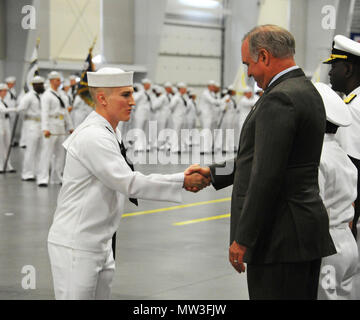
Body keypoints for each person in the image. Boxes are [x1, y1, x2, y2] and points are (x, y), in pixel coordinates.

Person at [185, 25, 336, 300]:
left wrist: (243, 238)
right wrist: (215, 172)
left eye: (249, 64)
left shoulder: (280, 97)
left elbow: (266, 174)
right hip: (300, 235)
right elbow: (262, 157)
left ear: (264, 56)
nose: (249, 73)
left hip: (280, 238)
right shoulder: (304, 89)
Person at [47, 67, 210, 300]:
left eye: (132, 94)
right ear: (102, 98)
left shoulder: (111, 132)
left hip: (100, 240)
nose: (132, 101)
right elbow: (129, 182)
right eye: (125, 95)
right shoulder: (93, 136)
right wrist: (182, 180)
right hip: (77, 243)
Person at [323, 34, 360, 299]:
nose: (330, 72)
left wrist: (350, 218)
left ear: (347, 68)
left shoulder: (353, 108)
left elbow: (353, 164)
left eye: (334, 66)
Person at [313, 82, 358, 300]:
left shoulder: (316, 157)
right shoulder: (340, 153)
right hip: (348, 242)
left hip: (326, 245)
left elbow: (314, 208)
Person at [37, 71, 74, 187]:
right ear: (52, 81)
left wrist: (70, 126)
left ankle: (56, 177)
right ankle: (42, 178)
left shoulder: (62, 94)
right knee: (46, 152)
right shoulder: (47, 95)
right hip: (51, 125)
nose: (60, 82)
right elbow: (44, 113)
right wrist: (45, 128)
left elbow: (66, 112)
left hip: (61, 125)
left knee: (60, 153)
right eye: (58, 80)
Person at [17, 76, 45, 181]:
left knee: (40, 150)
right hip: (32, 124)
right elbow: (20, 109)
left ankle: (37, 172)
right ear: (34, 85)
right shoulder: (28, 96)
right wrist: (26, 118)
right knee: (31, 150)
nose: (42, 86)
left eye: (42, 84)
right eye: (39, 84)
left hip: (41, 125)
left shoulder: (43, 96)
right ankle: (27, 173)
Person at [0, 83, 17, 173]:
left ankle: (8, 164)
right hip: (0, 123)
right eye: (4, 91)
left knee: (7, 144)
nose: (5, 93)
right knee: (1, 145)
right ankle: (1, 166)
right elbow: (2, 110)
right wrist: (15, 109)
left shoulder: (3, 101)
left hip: (6, 122)